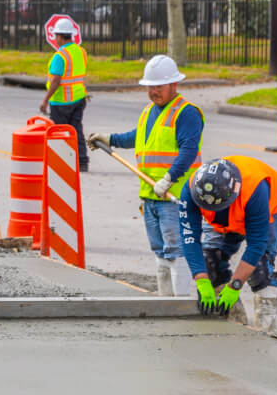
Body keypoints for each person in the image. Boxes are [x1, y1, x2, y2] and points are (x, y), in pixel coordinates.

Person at [87, 54, 204, 297]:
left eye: (159, 86)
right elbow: (138, 137)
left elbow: (189, 151)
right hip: (151, 195)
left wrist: (169, 178)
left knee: (176, 250)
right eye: (150, 87)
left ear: (174, 84)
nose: (153, 92)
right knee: (160, 251)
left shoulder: (187, 113)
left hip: (174, 196)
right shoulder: (150, 111)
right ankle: (165, 300)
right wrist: (110, 139)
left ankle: (180, 303)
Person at [179, 156, 277, 331]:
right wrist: (201, 279)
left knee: (261, 267)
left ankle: (266, 325)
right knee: (211, 262)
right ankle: (234, 319)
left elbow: (257, 245)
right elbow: (189, 237)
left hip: (271, 206)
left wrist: (235, 285)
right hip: (227, 213)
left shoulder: (255, 190)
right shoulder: (191, 189)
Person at [39, 17, 89, 171]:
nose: (55, 39)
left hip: (61, 102)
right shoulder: (81, 52)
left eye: (56, 36)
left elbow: (55, 81)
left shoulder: (60, 56)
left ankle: (61, 163)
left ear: (60, 37)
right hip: (79, 98)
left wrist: (45, 100)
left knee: (59, 134)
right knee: (76, 130)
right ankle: (82, 161)